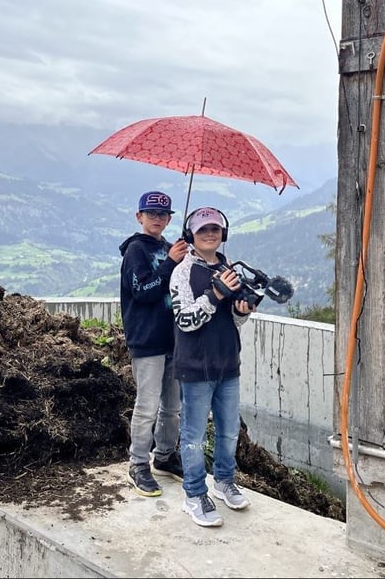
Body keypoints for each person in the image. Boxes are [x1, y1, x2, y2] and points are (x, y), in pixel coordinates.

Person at [169, 206, 256, 527]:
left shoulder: (227, 266)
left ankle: (223, 481)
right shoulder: (182, 271)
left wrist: (243, 310)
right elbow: (185, 320)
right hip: (195, 367)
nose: (210, 235)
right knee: (193, 436)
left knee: (229, 430)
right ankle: (193, 495)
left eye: (215, 230)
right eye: (203, 230)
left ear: (224, 234)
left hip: (228, 363)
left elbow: (233, 320)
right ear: (191, 234)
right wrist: (216, 293)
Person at [119, 190, 189, 497]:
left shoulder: (168, 247)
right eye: (152, 214)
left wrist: (182, 262)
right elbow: (143, 290)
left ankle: (164, 456)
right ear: (139, 217)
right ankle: (138, 463)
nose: (158, 219)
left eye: (163, 215)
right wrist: (169, 263)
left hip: (172, 339)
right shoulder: (136, 249)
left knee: (171, 407)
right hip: (146, 340)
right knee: (147, 406)